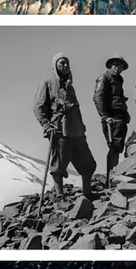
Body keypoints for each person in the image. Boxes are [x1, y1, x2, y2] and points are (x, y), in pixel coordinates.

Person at [33, 53, 97, 200]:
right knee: (59, 165)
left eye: (67, 63)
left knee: (88, 163)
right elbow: (38, 107)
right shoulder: (47, 84)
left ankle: (88, 193)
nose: (66, 66)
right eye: (62, 63)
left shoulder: (70, 87)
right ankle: (59, 195)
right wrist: (46, 125)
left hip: (77, 131)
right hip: (59, 130)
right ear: (55, 65)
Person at [93, 55, 130, 179]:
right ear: (113, 65)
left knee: (118, 147)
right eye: (119, 65)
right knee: (114, 147)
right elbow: (98, 98)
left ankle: (114, 176)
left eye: (122, 67)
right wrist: (105, 116)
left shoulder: (118, 79)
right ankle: (110, 179)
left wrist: (126, 113)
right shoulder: (104, 78)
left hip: (120, 118)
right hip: (112, 119)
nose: (120, 68)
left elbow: (119, 98)